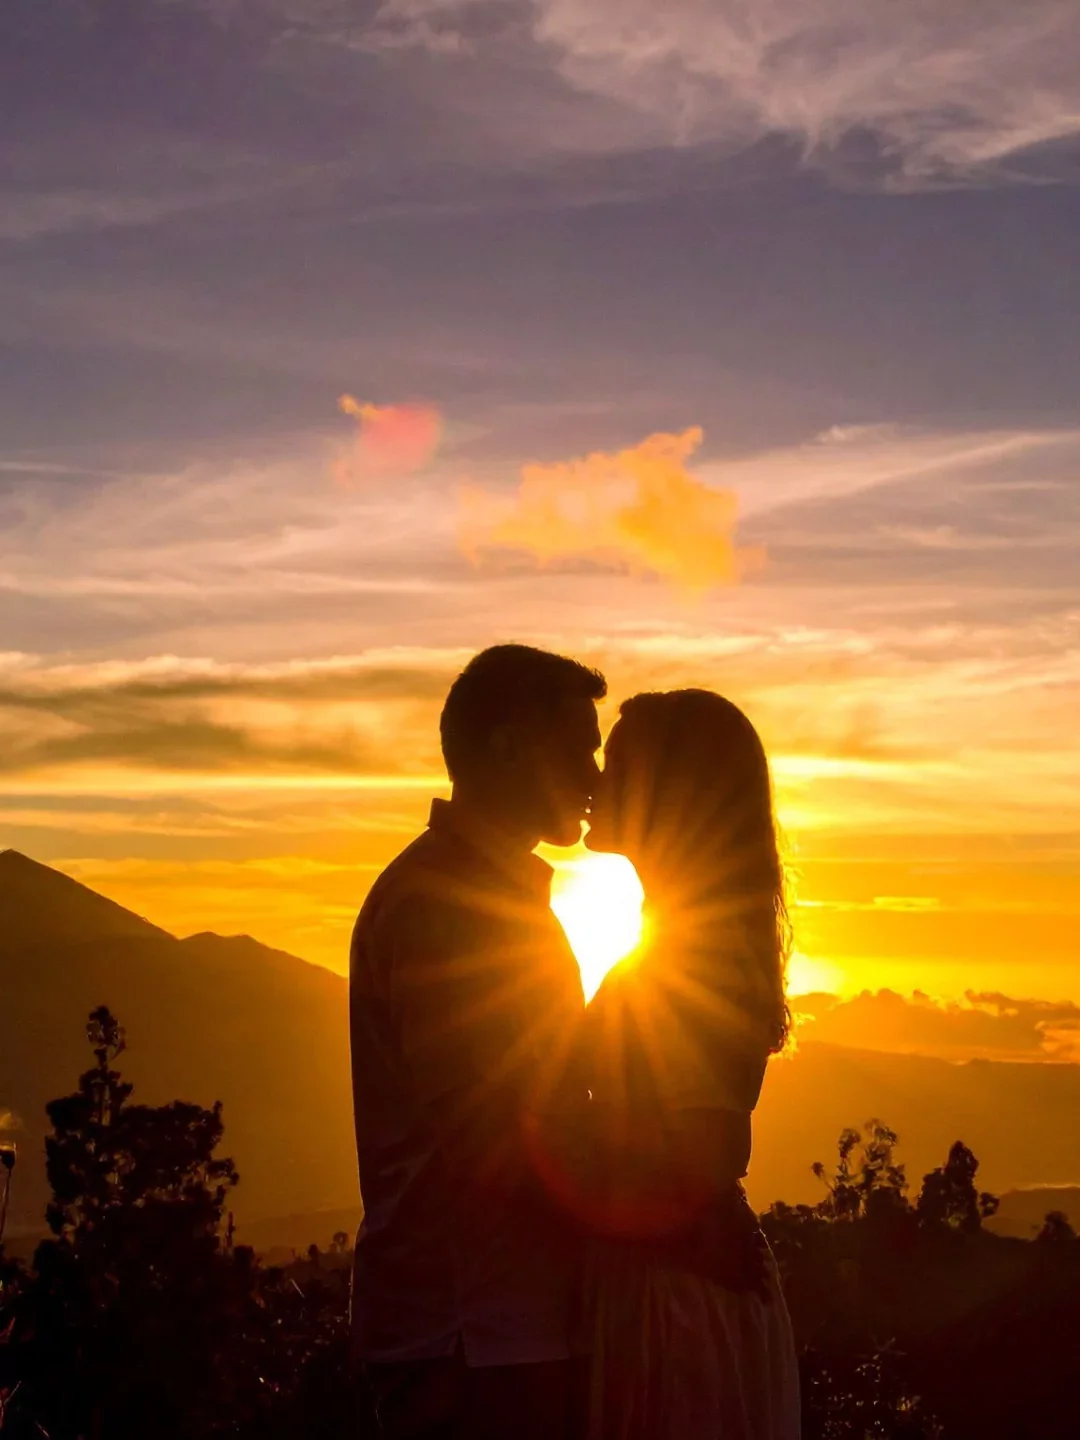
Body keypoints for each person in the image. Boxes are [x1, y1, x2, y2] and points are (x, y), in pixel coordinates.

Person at [349, 644, 605, 1440]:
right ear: (508, 748)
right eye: (579, 750)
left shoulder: (482, 894)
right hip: (473, 1338)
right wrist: (664, 1217)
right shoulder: (447, 906)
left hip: (488, 1331)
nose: (594, 778)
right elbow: (489, 1136)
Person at [576, 689, 801, 1440]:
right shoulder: (679, 941)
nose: (595, 780)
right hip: (671, 1285)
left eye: (617, 765)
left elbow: (703, 1159)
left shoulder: (693, 955)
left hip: (678, 1304)